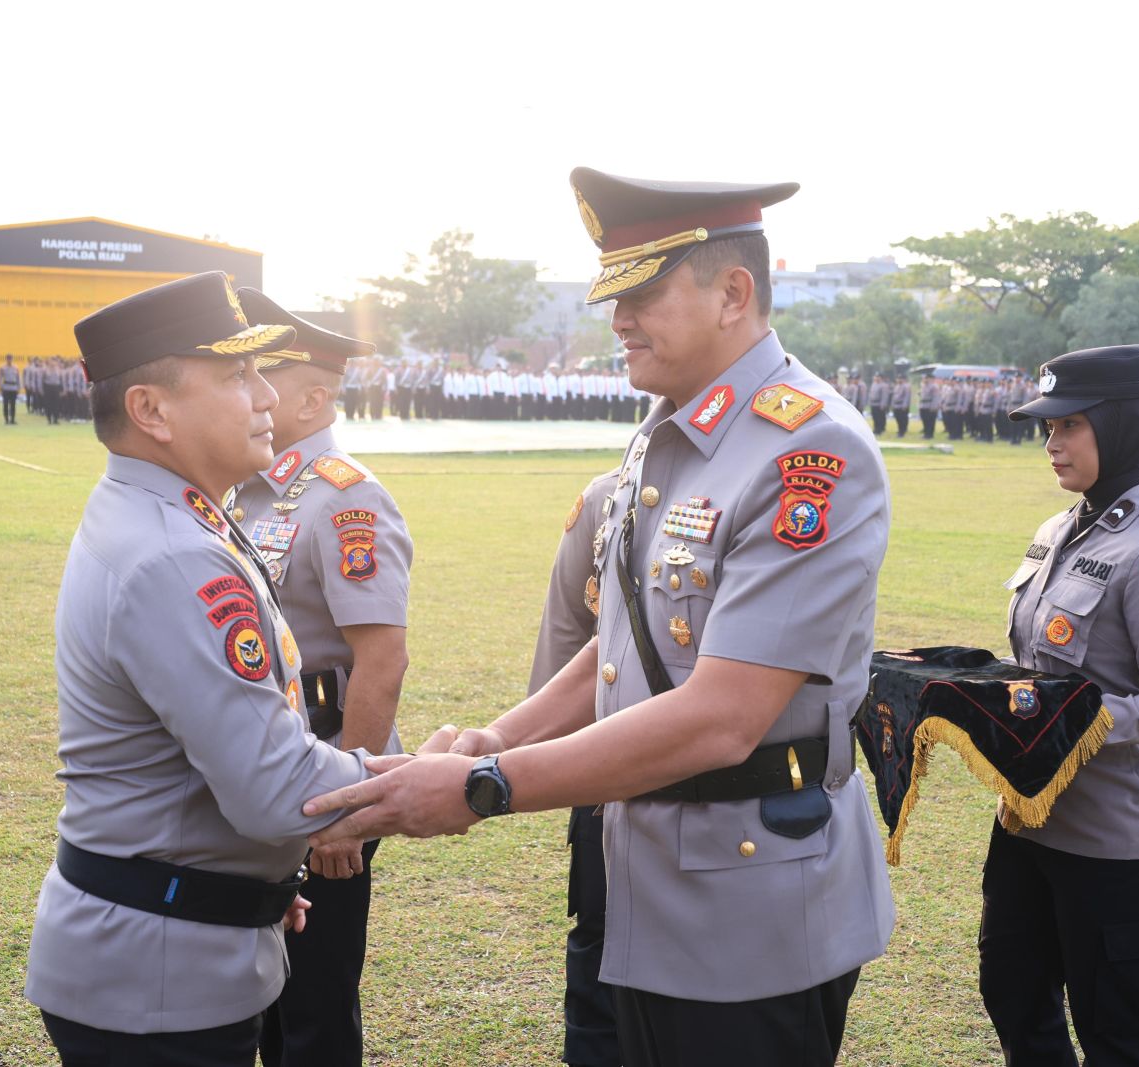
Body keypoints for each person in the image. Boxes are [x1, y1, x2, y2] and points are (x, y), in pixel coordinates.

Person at [303, 168, 896, 1067]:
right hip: (649, 877)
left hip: (753, 908)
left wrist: (484, 784)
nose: (618, 318)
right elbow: (623, 649)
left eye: (643, 293)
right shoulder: (669, 433)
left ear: (734, 293)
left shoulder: (808, 450)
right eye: (614, 294)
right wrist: (495, 737)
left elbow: (724, 714)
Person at [22, 271, 374, 1066]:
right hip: (156, 983)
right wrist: (424, 780)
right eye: (237, 375)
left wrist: (252, 885)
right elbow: (275, 787)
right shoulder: (173, 552)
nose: (267, 395)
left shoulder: (169, 513)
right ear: (151, 409)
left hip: (167, 949)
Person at [986, 344, 1139, 1066]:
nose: (1051, 443)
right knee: (1015, 999)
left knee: (1119, 1040)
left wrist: (1063, 720)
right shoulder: (1059, 530)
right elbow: (1039, 664)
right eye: (1047, 428)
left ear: (1121, 427)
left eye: (1070, 425)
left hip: (1116, 843)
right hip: (1028, 819)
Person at [225, 288, 414, 1067]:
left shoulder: (345, 497)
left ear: (310, 398)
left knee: (313, 1009)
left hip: (324, 770)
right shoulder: (248, 486)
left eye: (260, 377)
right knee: (260, 994)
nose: (249, 393)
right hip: (267, 764)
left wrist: (350, 804)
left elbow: (382, 658)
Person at [530, 468, 623, 1067]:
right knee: (600, 948)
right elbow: (568, 632)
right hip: (607, 777)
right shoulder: (605, 496)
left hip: (727, 792)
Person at [0, 354, 21, 425]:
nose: (9, 360)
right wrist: (0, 388)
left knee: (13, 405)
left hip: (13, 388)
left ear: (12, 359)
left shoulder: (16, 367)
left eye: (10, 359)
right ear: (6, 359)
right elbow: (0, 379)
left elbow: (18, 378)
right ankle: (6, 419)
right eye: (8, 359)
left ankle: (12, 419)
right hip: (6, 388)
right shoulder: (2, 368)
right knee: (5, 405)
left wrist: (19, 387)